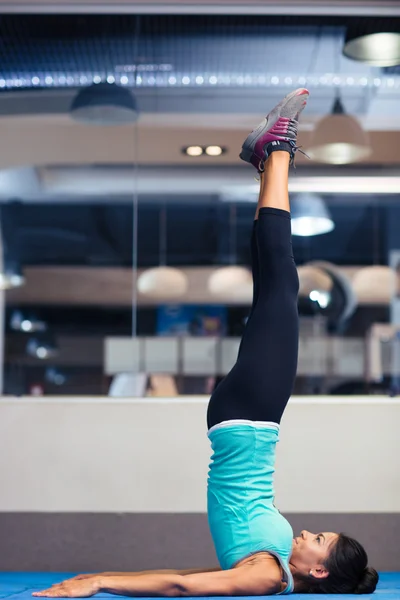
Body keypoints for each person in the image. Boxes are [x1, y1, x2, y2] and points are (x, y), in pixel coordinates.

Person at [32, 89, 379, 598]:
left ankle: (277, 149)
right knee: (272, 284)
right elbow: (196, 575)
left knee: (282, 287)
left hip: (251, 420)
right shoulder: (271, 565)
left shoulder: (266, 575)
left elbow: (180, 585)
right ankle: (268, 162)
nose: (308, 533)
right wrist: (101, 579)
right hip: (245, 418)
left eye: (319, 540)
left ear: (320, 570)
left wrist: (97, 581)